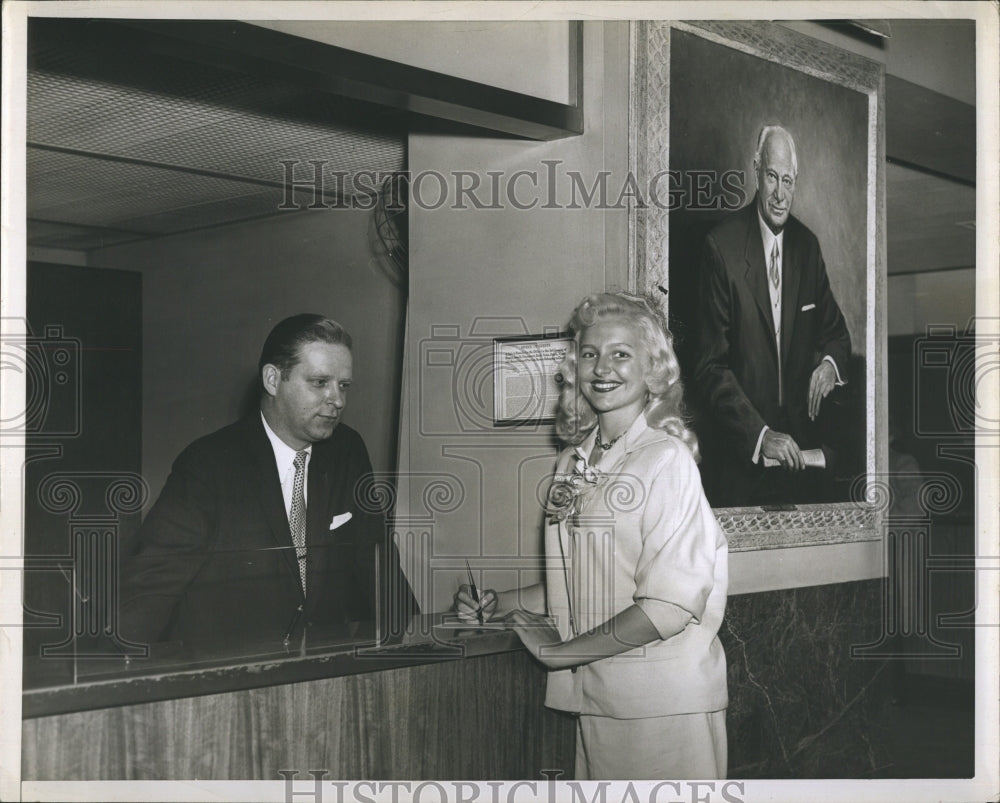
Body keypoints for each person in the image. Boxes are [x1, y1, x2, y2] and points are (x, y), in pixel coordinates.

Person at [454, 293, 728, 780]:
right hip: (601, 699)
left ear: (653, 370)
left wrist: (558, 652)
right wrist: (498, 603)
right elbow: (581, 586)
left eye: (621, 354)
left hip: (663, 709)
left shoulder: (667, 460)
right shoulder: (573, 461)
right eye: (588, 353)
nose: (602, 368)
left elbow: (667, 606)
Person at [119, 314, 416, 650]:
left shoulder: (347, 450)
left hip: (325, 673)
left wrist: (423, 638)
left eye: (343, 385)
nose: (338, 400)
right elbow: (149, 589)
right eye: (320, 382)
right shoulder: (208, 464)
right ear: (273, 380)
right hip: (234, 676)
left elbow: (379, 569)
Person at [695, 125, 852, 506]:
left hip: (801, 468)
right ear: (755, 170)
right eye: (771, 178)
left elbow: (837, 334)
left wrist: (830, 365)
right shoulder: (721, 247)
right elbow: (708, 366)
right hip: (739, 465)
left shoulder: (808, 247)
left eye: (788, 181)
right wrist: (761, 435)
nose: (780, 195)